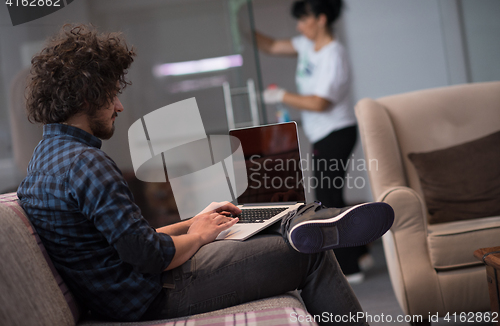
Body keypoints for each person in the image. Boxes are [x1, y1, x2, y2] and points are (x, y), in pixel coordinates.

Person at [17, 23, 392, 325]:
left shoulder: (43, 161)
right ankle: (310, 222)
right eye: (112, 94)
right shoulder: (86, 164)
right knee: (308, 255)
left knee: (240, 223)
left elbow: (124, 242)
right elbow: (148, 255)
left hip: (124, 293)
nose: (118, 105)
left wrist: (193, 223)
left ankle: (300, 220)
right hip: (152, 294)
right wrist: (196, 237)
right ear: (86, 97)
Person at [255, 0, 370, 283]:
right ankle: (360, 253)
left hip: (337, 133)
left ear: (321, 19)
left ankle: (351, 267)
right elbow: (269, 45)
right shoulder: (307, 45)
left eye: (304, 19)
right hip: (323, 134)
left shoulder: (334, 54)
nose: (299, 26)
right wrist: (239, 23)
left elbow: (320, 103)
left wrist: (282, 95)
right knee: (332, 197)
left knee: (327, 200)